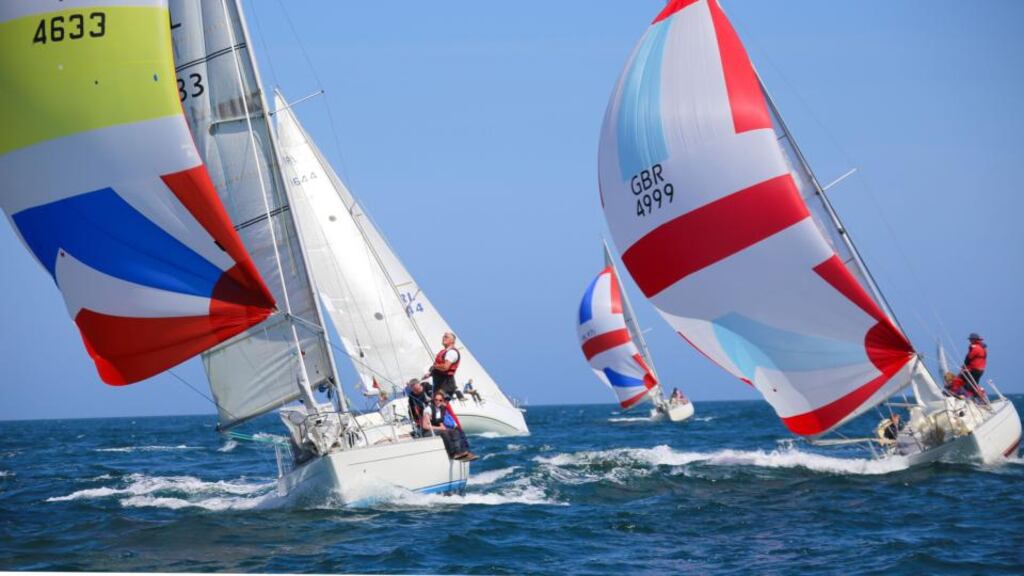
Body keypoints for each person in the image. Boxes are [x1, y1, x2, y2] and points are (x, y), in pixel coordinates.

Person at [420, 392, 476, 461]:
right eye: (436, 400)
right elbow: (425, 426)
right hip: (427, 432)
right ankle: (452, 454)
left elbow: (439, 422)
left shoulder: (439, 410)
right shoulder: (428, 409)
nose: (438, 401)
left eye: (440, 400)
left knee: (454, 431)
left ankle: (459, 453)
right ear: (433, 400)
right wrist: (440, 428)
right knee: (445, 432)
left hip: (436, 429)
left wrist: (443, 427)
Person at [427, 332, 461, 399]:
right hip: (439, 384)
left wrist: (435, 366)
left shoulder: (452, 352)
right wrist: (431, 373)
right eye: (443, 337)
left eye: (446, 337)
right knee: (436, 404)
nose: (443, 338)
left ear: (452, 341)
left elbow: (445, 367)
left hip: (446, 385)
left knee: (439, 404)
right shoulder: (444, 351)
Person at [960, 333, 987, 399]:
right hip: (981, 369)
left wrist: (964, 367)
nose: (970, 341)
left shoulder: (975, 348)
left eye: (971, 339)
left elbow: (969, 357)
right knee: (974, 383)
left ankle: (970, 396)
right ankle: (978, 396)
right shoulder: (983, 348)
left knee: (965, 381)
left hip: (974, 369)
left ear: (974, 340)